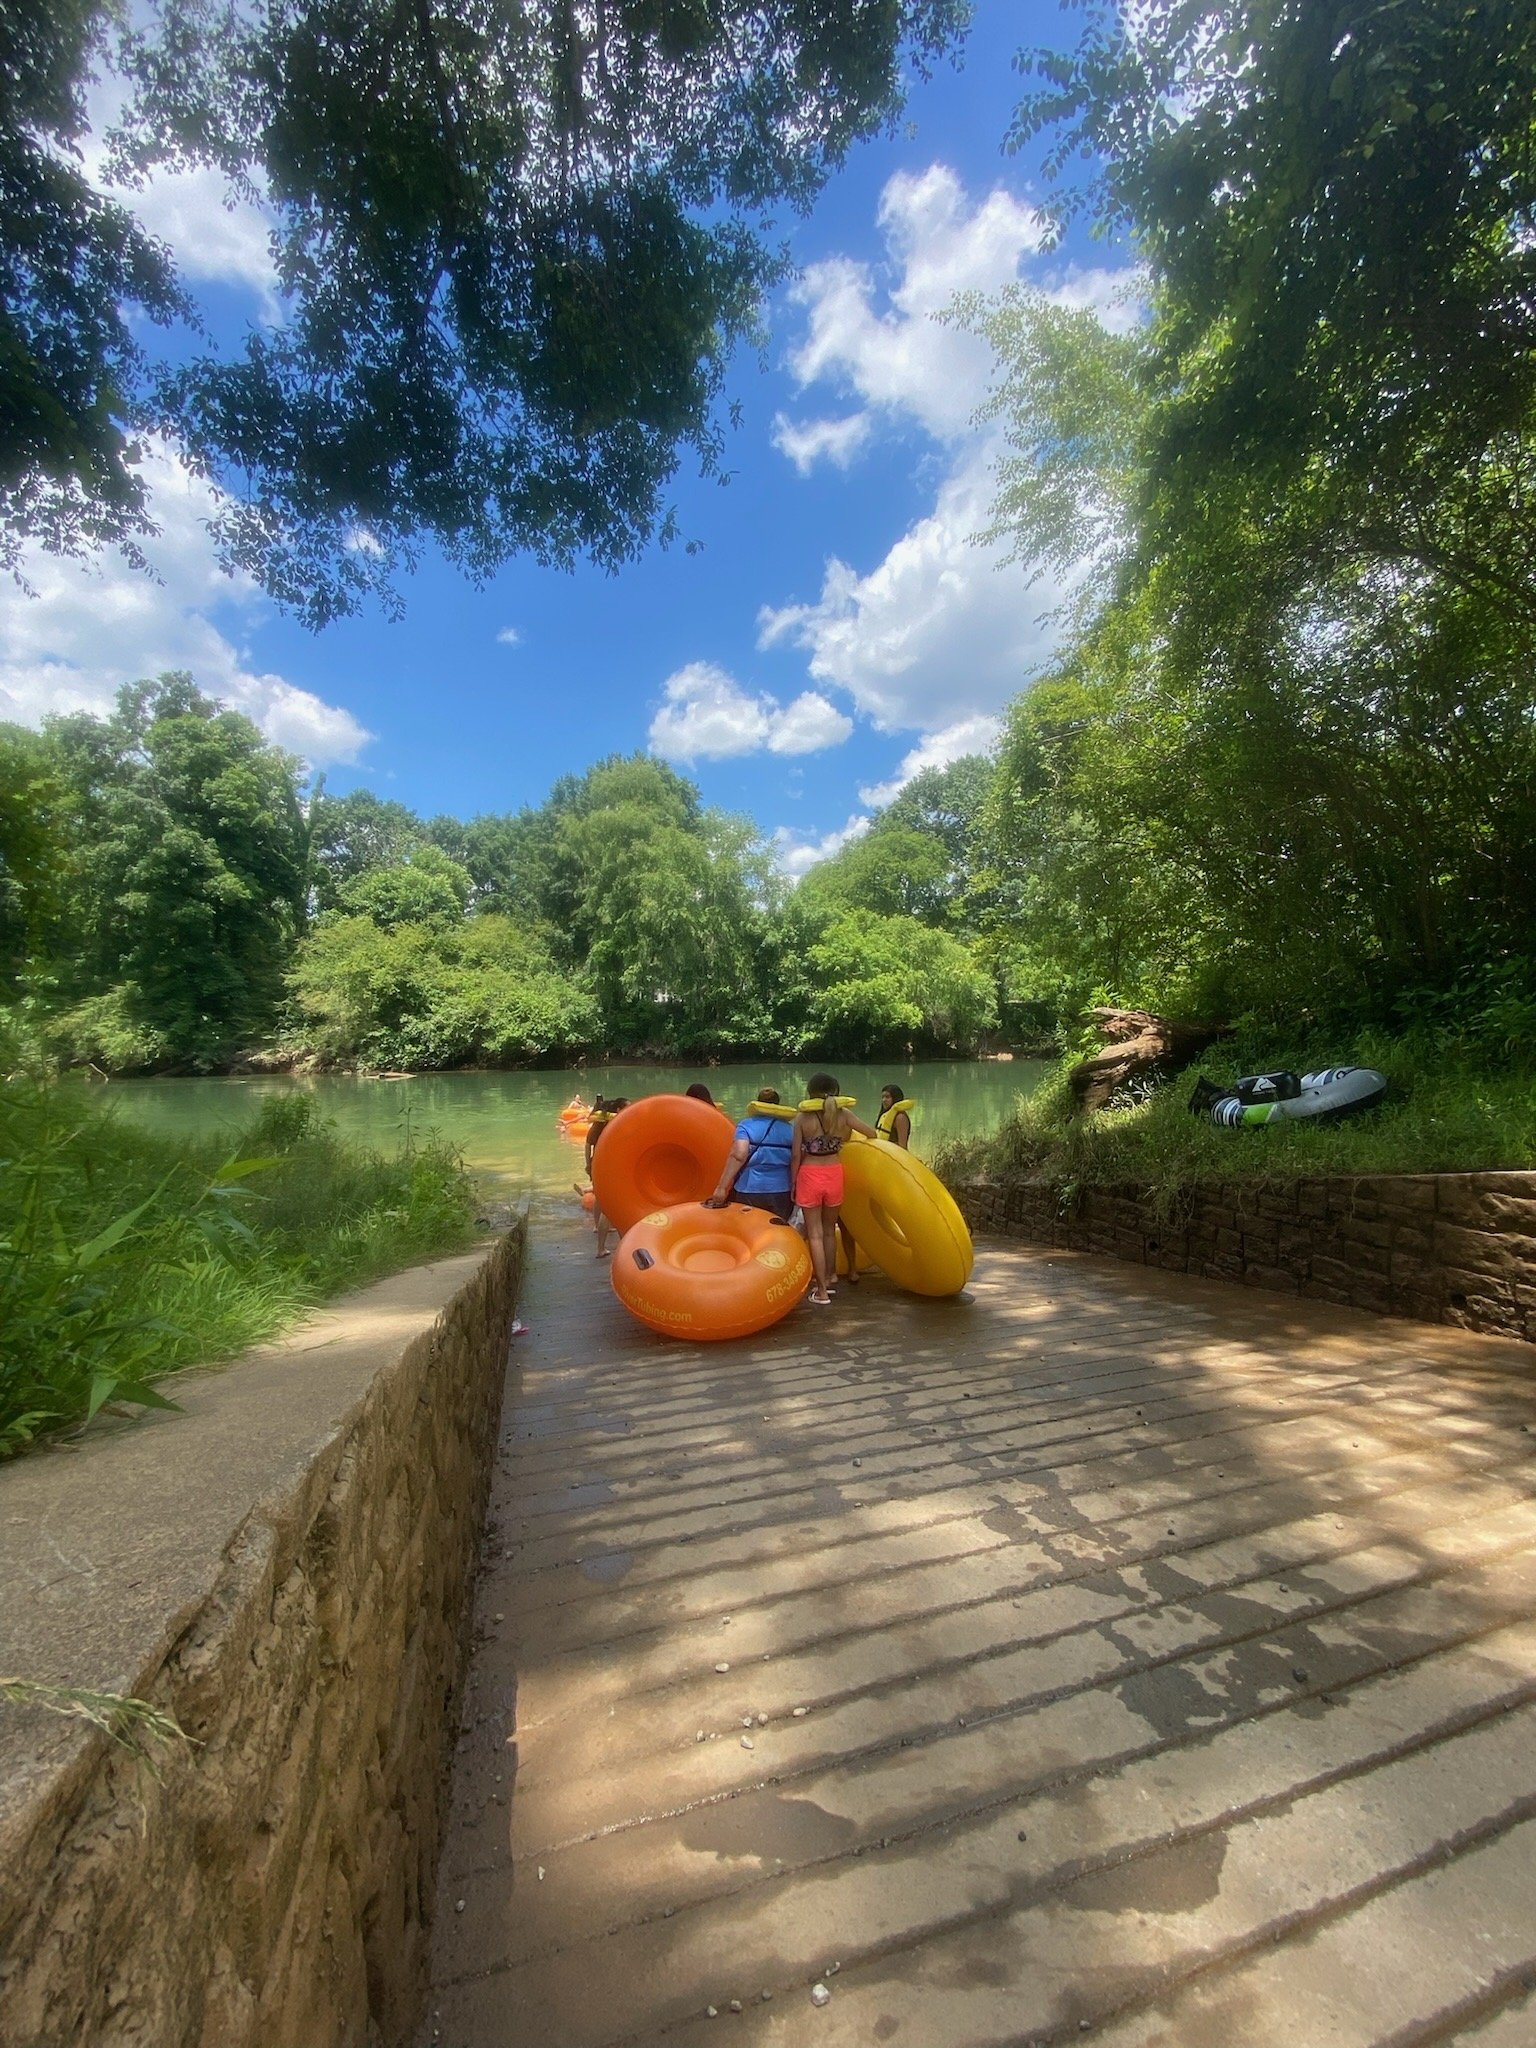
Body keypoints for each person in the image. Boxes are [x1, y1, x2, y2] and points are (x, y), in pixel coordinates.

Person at [791, 1073, 877, 1306]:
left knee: (815, 1234)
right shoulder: (844, 1115)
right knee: (830, 1230)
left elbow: (797, 1155)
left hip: (810, 1175)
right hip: (835, 1173)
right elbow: (872, 1134)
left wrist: (793, 1182)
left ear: (810, 1092)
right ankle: (830, 1278)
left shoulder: (802, 1118)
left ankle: (820, 1291)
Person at [703, 1086, 794, 1220]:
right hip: (781, 1190)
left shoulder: (746, 1125)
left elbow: (738, 1155)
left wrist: (721, 1188)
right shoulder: (790, 1129)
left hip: (749, 1189)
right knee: (777, 1234)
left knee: (747, 1233)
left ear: (758, 1103)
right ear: (778, 1105)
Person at [584, 1096, 629, 1257]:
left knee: (603, 1203)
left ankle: (601, 1245)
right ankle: (614, 1248)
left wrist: (589, 1164)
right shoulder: (618, 1125)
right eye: (627, 1107)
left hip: (600, 1166)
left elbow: (588, 1144)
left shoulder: (599, 1124)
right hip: (612, 1168)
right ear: (618, 1110)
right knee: (614, 1209)